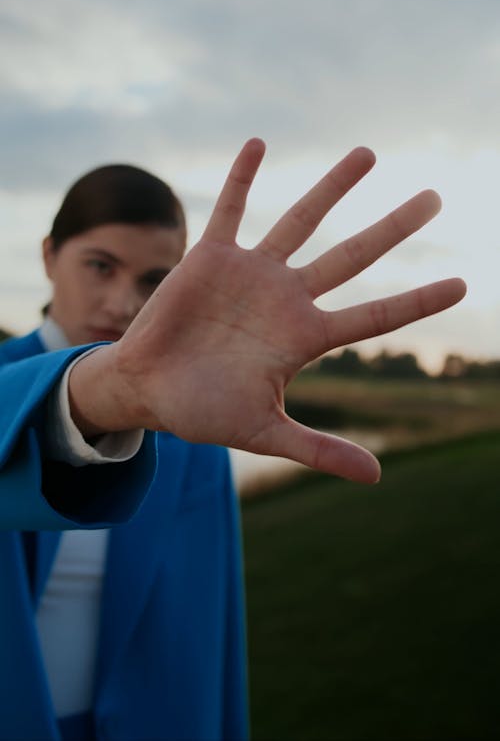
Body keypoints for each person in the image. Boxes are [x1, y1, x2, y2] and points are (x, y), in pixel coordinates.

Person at [0, 139, 466, 741]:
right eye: (100, 265)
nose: (121, 302)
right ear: (47, 256)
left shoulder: (196, 425)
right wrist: (106, 394)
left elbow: (209, 621)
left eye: (151, 279)